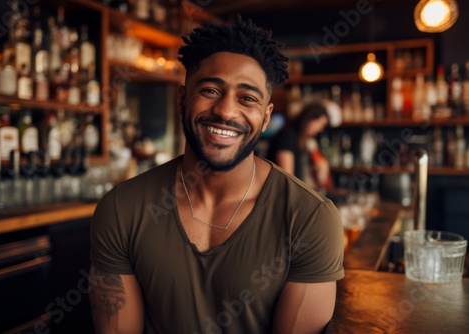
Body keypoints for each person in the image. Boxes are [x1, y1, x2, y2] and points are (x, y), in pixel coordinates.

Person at [89, 15, 344, 334]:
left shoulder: (310, 218)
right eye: (210, 90)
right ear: (183, 99)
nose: (225, 111)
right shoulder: (121, 208)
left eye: (247, 98)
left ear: (265, 118)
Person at [267, 102, 332, 191]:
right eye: (320, 123)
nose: (321, 129)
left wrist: (320, 170)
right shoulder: (287, 135)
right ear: (310, 119)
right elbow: (287, 177)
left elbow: (316, 179)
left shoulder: (306, 142)